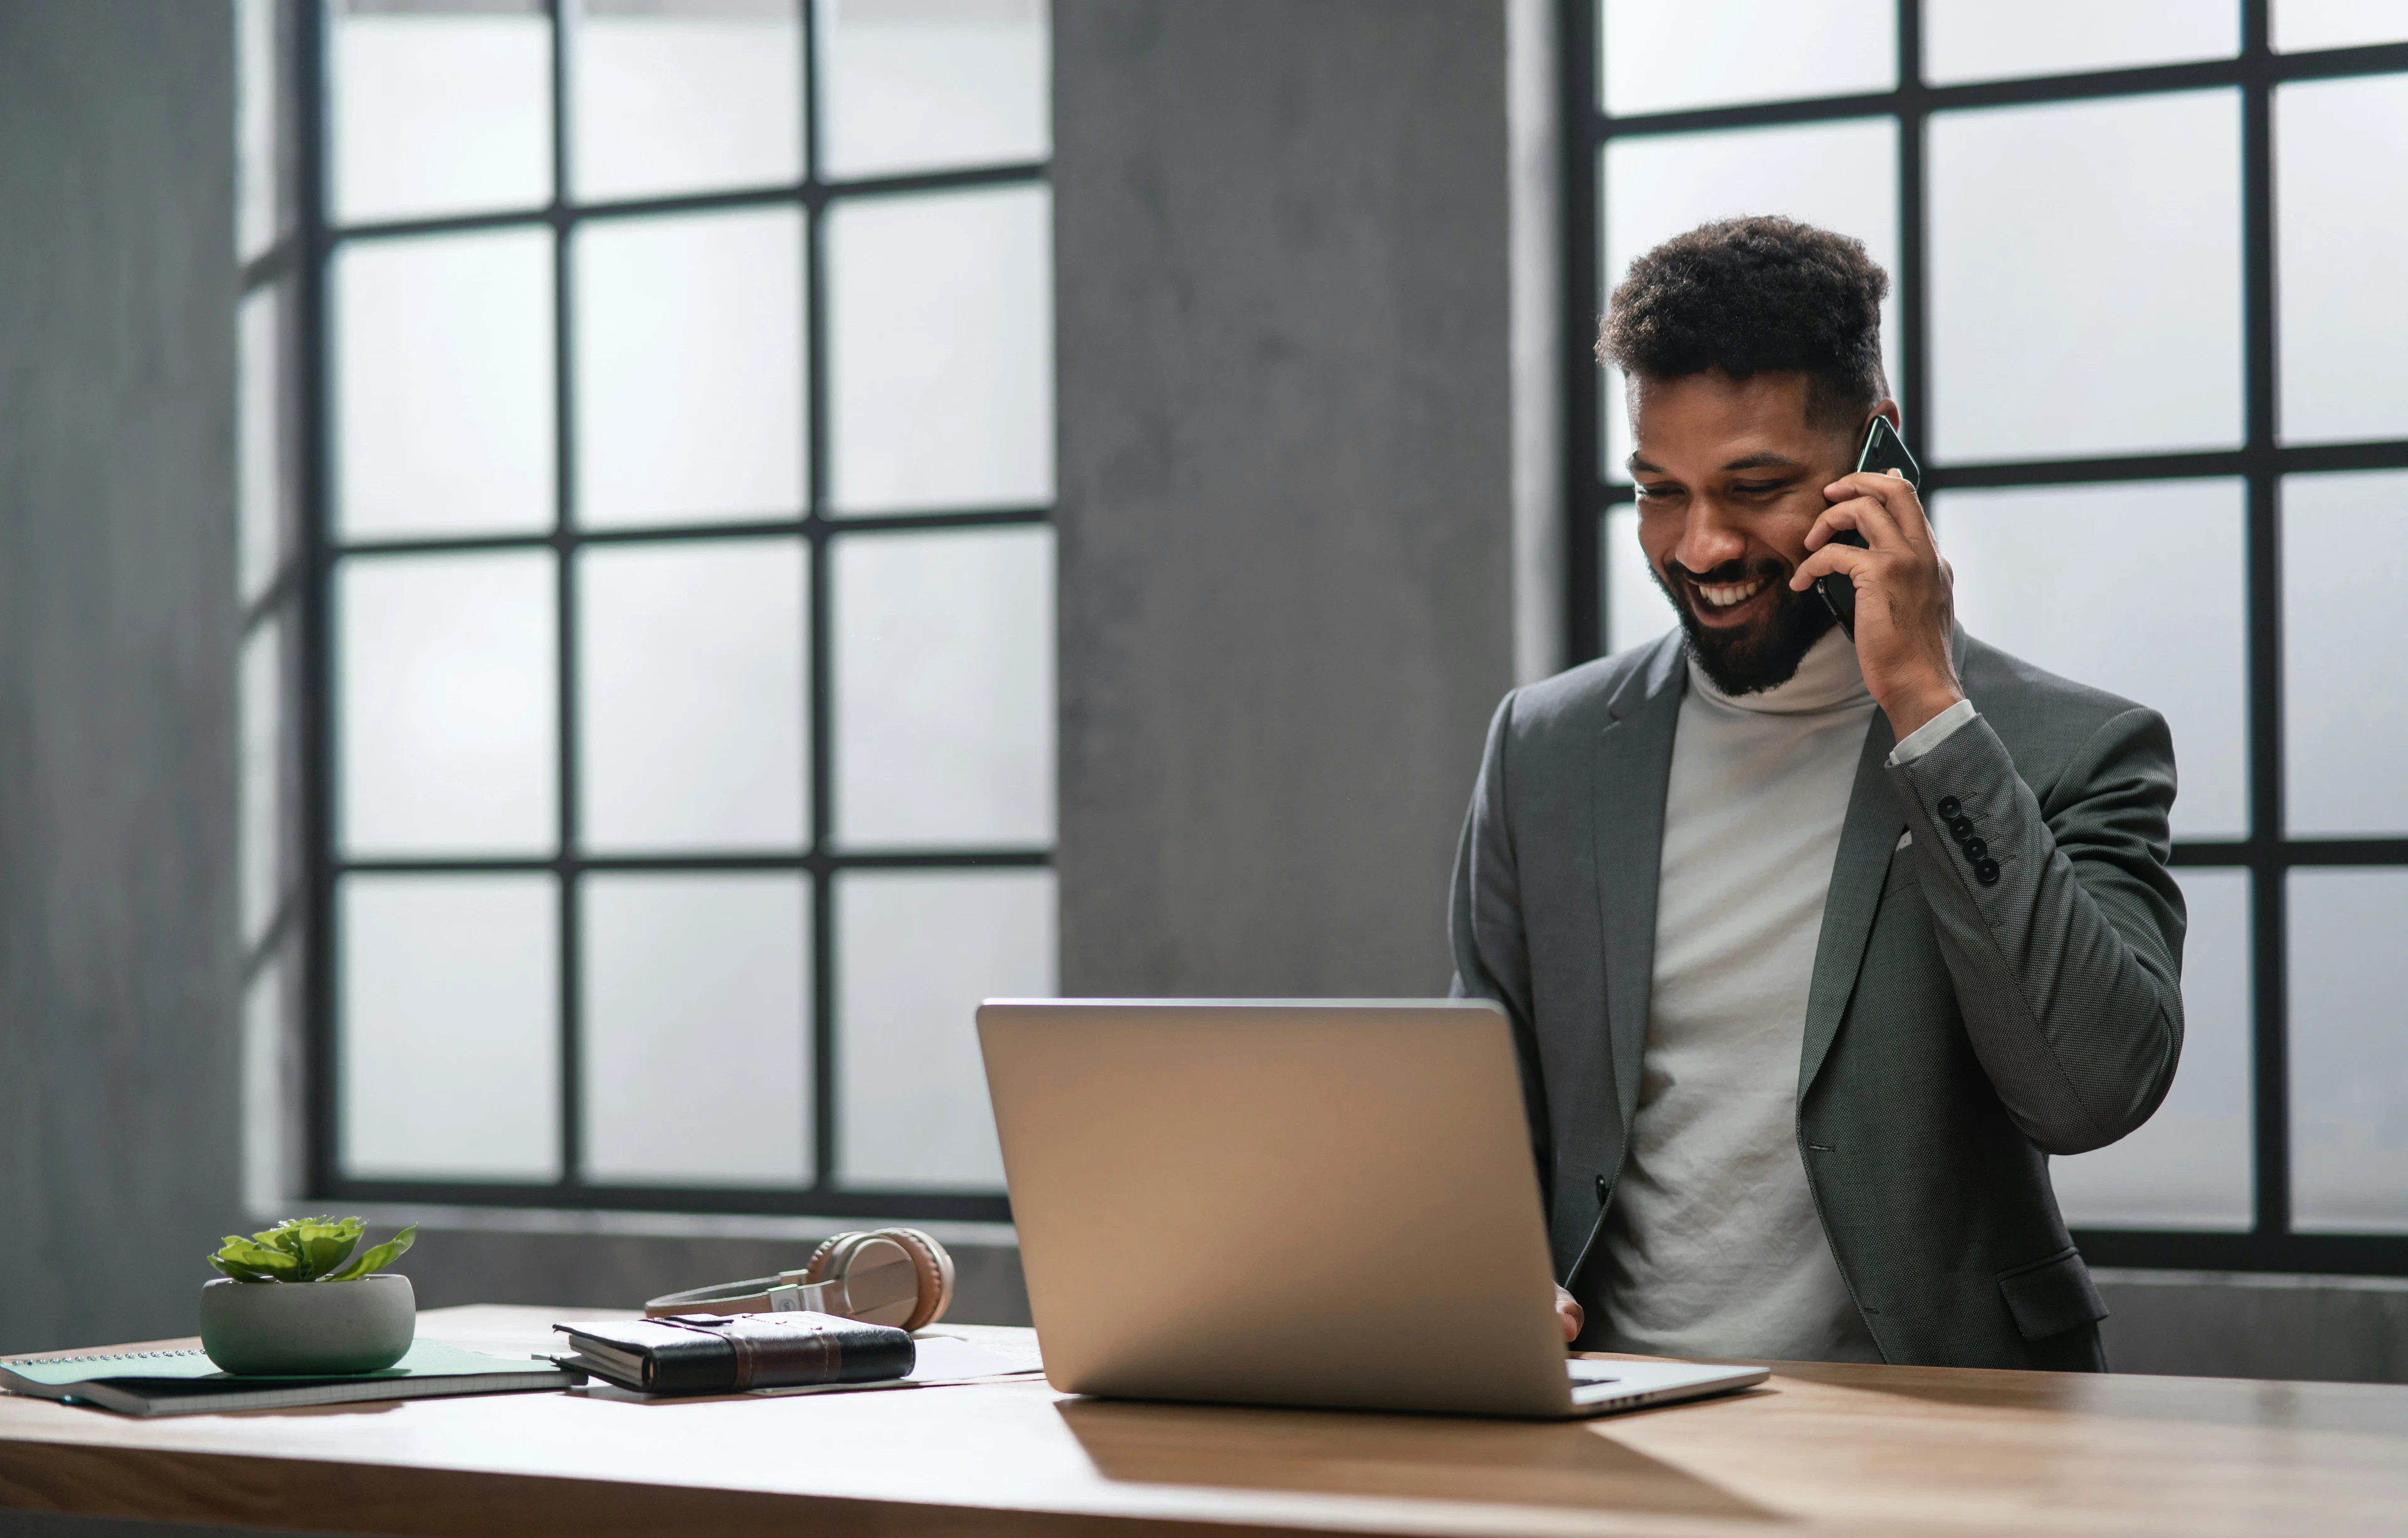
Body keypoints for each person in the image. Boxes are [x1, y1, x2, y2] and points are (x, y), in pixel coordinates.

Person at [1449, 215, 2185, 1370]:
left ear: (1878, 452)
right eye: (1657, 490)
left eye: (1754, 487)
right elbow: (1476, 1103)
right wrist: (1478, 1268)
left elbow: (2091, 1093)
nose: (1699, 546)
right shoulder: (1544, 748)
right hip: (1614, 1421)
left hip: (1944, 1428)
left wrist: (1929, 712)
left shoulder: (2072, 748)